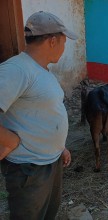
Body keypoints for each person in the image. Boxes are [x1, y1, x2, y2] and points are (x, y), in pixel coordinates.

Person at [0, 11, 77, 220]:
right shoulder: (17, 69)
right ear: (53, 41)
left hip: (49, 162)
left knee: (48, 214)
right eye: (63, 42)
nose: (63, 47)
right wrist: (10, 140)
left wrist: (59, 147)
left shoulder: (40, 70)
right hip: (29, 169)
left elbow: (41, 112)